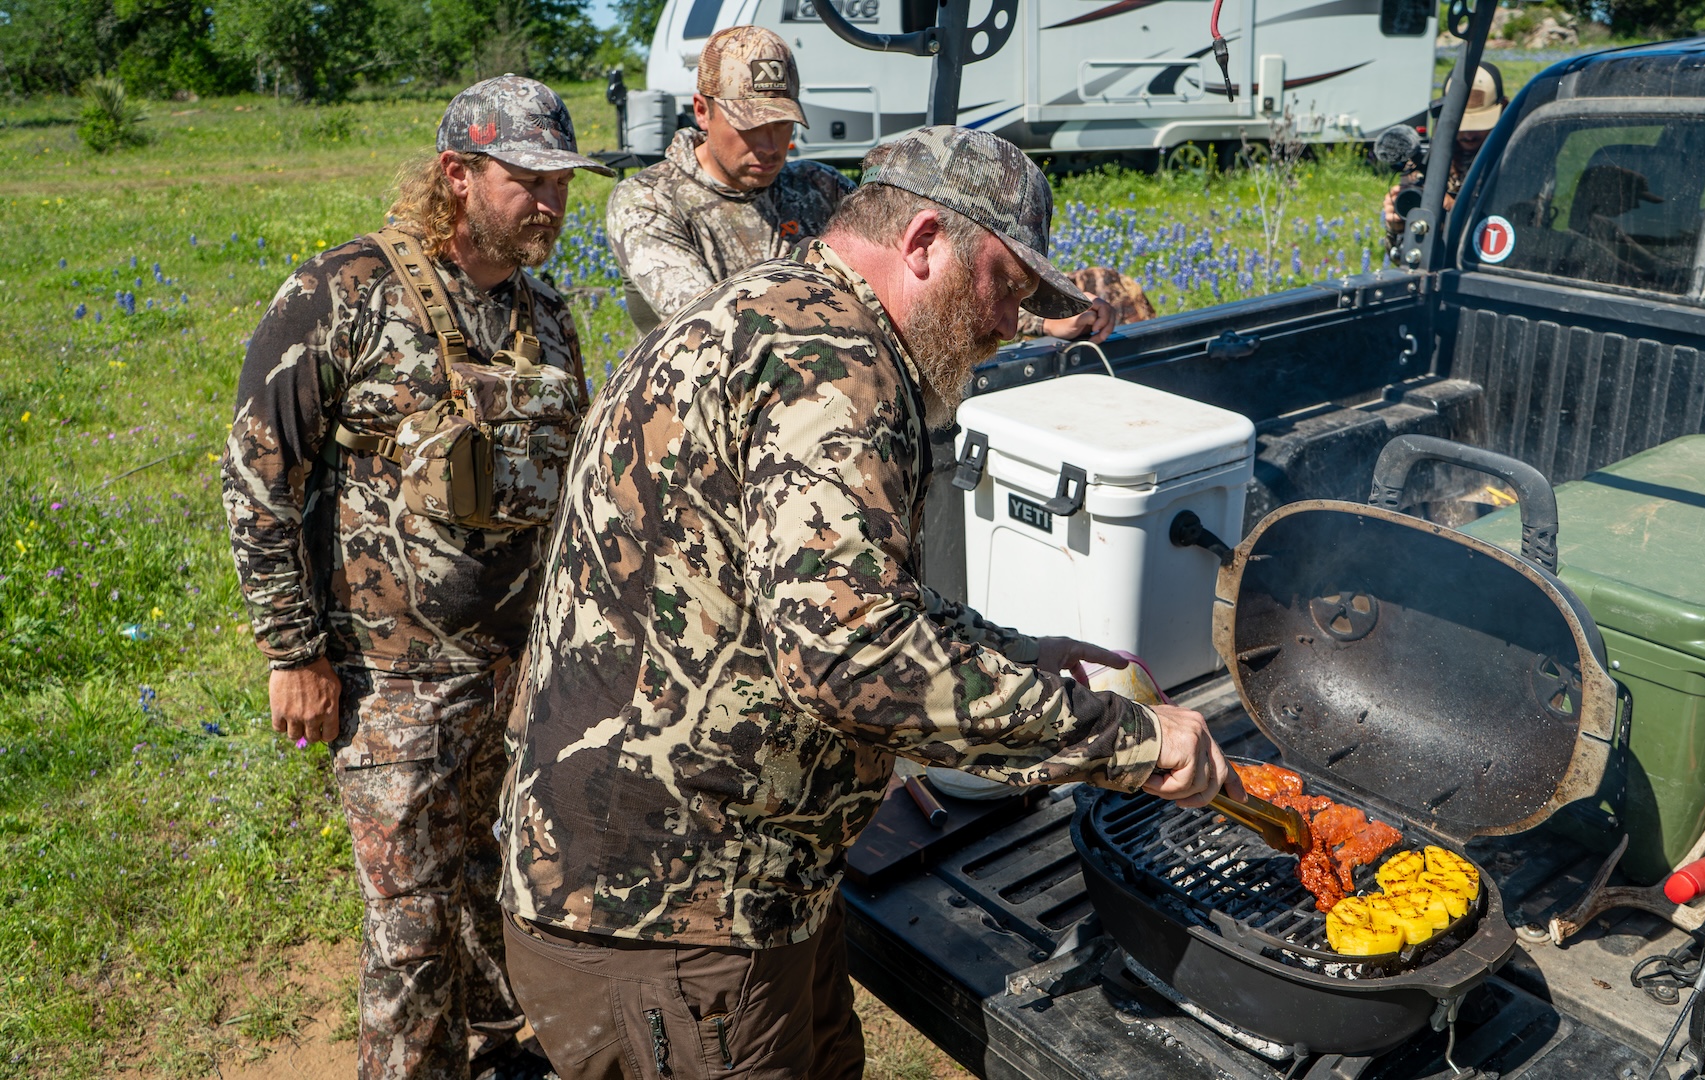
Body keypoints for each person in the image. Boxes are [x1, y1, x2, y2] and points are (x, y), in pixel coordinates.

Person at [496, 126, 1237, 1080]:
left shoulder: (781, 308)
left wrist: (1015, 655)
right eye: (1005, 285)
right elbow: (852, 656)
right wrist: (1133, 742)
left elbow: (836, 596)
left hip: (750, 882)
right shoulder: (829, 361)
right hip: (671, 911)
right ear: (924, 240)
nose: (1011, 322)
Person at [221, 74, 612, 1080]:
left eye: (561, 182)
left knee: (493, 891)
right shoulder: (344, 291)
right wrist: (293, 651)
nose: (551, 203)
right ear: (456, 175)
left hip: (514, 677)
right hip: (388, 684)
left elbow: (570, 494)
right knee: (409, 930)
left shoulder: (549, 319)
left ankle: (494, 1055)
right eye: (526, 179)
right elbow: (261, 473)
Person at [605, 25, 1116, 342]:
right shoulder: (650, 201)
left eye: (781, 125)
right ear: (702, 110)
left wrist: (1036, 319)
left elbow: (920, 280)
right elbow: (713, 326)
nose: (768, 145)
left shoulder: (818, 186)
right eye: (749, 126)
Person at [1383, 61, 1506, 236]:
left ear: (1504, 109)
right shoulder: (1427, 163)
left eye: (1479, 125)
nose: (1469, 135)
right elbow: (1402, 255)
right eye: (1461, 127)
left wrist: (1451, 210)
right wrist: (1398, 228)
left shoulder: (1514, 161)